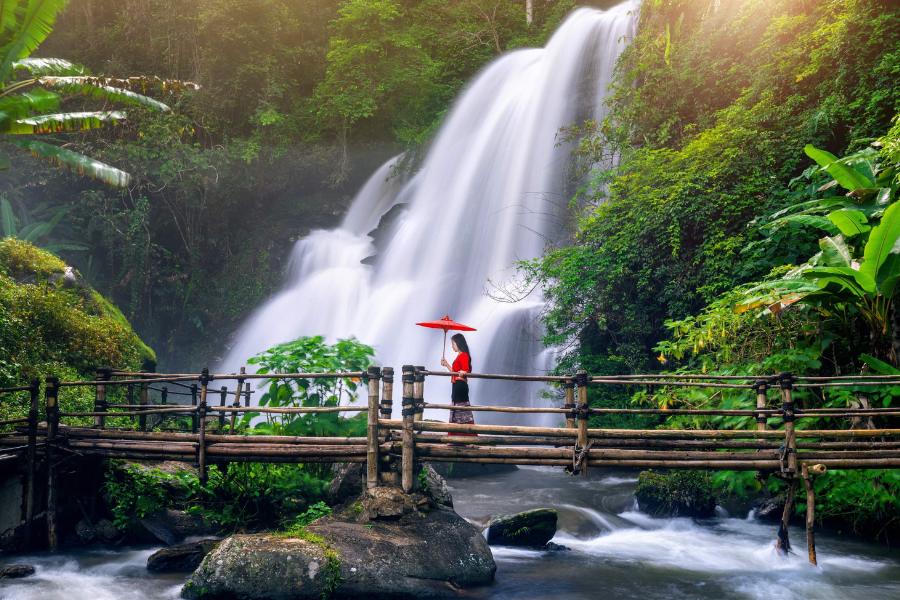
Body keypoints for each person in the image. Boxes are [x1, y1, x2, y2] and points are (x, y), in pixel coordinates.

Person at [440, 333, 476, 432]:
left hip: (460, 386)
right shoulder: (460, 356)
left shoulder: (464, 355)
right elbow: (455, 372)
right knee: (457, 408)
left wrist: (464, 372)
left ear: (458, 343)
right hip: (456, 385)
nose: (452, 346)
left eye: (453, 344)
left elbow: (466, 370)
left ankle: (462, 435)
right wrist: (446, 364)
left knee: (460, 409)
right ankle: (457, 435)